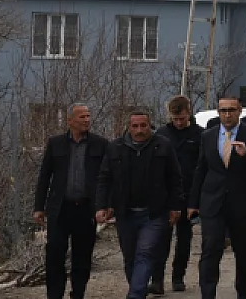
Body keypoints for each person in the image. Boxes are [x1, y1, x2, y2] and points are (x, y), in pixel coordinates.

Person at [94, 112, 184, 299]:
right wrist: (101, 205)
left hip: (154, 213)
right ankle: (138, 288)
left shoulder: (163, 145)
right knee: (130, 257)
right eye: (135, 126)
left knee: (145, 252)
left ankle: (135, 295)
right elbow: (105, 178)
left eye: (144, 125)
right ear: (128, 127)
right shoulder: (115, 148)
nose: (140, 130)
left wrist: (175, 206)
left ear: (150, 125)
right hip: (125, 212)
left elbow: (175, 178)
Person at [189, 96, 246, 299]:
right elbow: (201, 169)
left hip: (242, 204)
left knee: (243, 254)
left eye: (231, 110)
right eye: (223, 110)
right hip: (213, 202)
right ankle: (208, 293)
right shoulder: (208, 136)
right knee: (210, 249)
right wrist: (193, 203)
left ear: (240, 111)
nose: (227, 114)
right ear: (218, 112)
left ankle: (243, 293)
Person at [34, 104, 108, 299]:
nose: (86, 120)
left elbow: (107, 177)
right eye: (82, 116)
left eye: (88, 116)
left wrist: (105, 205)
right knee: (55, 254)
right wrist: (39, 207)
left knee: (82, 257)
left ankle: (78, 293)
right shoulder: (56, 143)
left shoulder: (100, 144)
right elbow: (45, 176)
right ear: (70, 121)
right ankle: (54, 294)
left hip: (86, 208)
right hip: (60, 209)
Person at [151, 97, 204, 294]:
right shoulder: (162, 135)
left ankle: (178, 277)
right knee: (160, 240)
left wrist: (196, 199)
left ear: (188, 113)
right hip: (165, 195)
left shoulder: (199, 135)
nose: (179, 122)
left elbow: (202, 167)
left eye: (182, 118)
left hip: (188, 194)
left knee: (184, 239)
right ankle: (157, 279)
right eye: (175, 118)